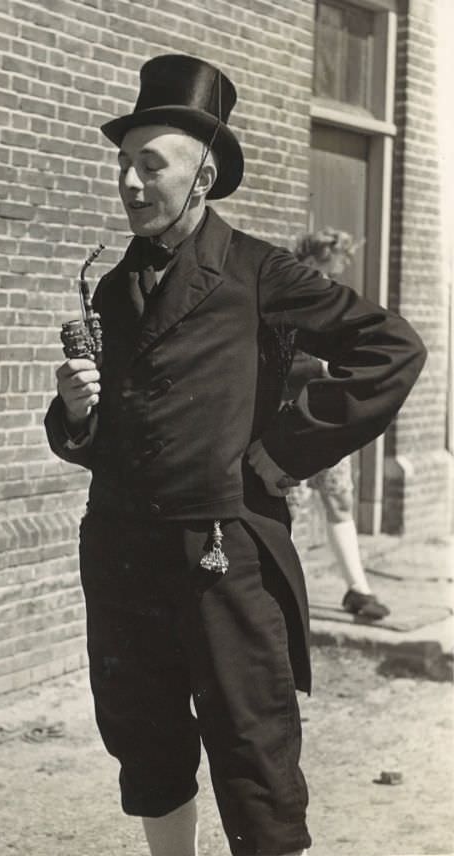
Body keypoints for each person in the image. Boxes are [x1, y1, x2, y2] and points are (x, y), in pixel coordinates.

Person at [45, 54, 425, 856]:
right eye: (123, 164)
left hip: (223, 557)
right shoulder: (114, 289)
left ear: (204, 175)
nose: (130, 183)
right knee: (144, 738)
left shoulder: (259, 272)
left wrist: (284, 454)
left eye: (152, 166)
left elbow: (391, 349)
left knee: (253, 745)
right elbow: (112, 431)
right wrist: (77, 416)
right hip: (122, 551)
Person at [284, 227, 390, 620]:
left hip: (325, 419)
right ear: (308, 262)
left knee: (340, 496)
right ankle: (281, 596)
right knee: (288, 509)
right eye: (324, 270)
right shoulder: (281, 298)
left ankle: (357, 589)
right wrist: (319, 366)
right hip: (286, 419)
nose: (328, 280)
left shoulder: (329, 304)